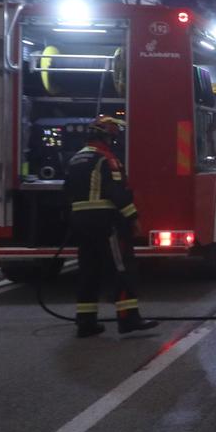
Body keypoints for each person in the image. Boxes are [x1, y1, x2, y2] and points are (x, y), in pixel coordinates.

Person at [64, 115, 157, 338]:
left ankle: (86, 322)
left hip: (81, 222)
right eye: (112, 137)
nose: (113, 141)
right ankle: (128, 319)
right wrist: (133, 217)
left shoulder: (75, 159)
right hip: (106, 222)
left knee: (88, 270)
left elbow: (66, 192)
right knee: (121, 268)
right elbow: (116, 192)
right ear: (104, 137)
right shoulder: (107, 159)